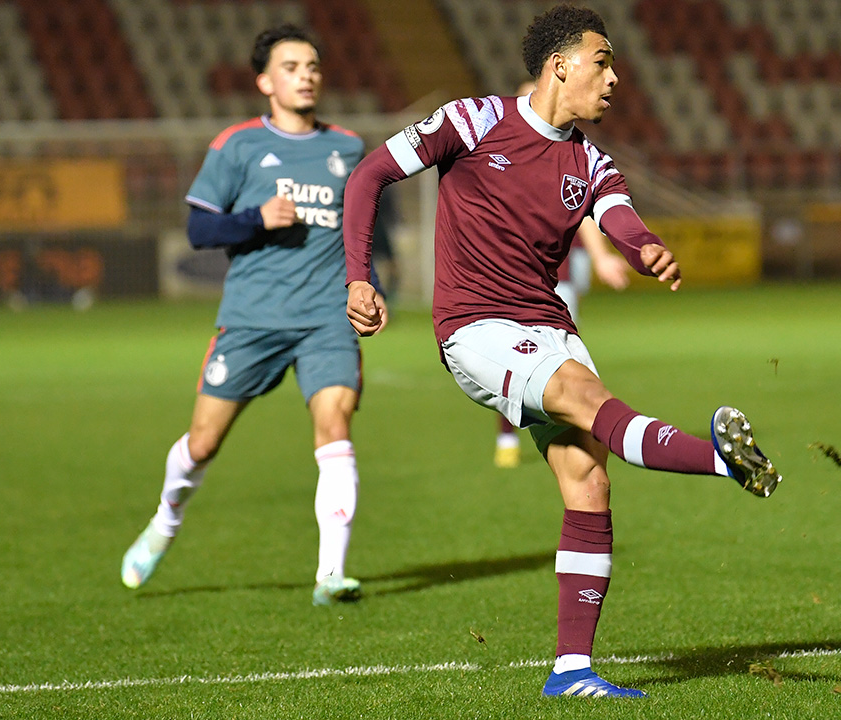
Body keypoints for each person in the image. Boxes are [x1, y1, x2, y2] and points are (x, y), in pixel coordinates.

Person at [341, 4, 780, 698]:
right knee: (587, 397)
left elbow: (620, 220)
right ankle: (720, 460)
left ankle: (572, 671)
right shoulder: (472, 121)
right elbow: (367, 177)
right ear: (560, 66)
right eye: (602, 62)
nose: (613, 80)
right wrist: (359, 278)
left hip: (547, 325)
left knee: (589, 483)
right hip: (476, 327)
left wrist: (648, 249)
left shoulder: (590, 159)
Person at [120, 24, 385, 607]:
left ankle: (331, 575)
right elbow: (198, 229)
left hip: (324, 319)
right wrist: (256, 219)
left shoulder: (346, 147)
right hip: (252, 319)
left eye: (313, 65)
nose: (307, 75)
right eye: (292, 66)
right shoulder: (235, 145)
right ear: (266, 81)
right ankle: (165, 520)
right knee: (204, 443)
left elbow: (363, 232)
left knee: (335, 424)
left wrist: (368, 285)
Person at [495, 215, 630, 467]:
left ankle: (573, 437)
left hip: (556, 279)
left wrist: (600, 257)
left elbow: (581, 208)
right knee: (513, 360)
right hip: (511, 282)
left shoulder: (551, 178)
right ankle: (508, 437)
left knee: (563, 361)